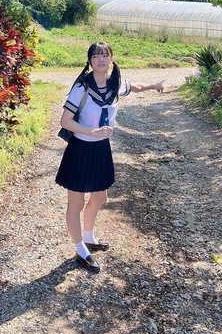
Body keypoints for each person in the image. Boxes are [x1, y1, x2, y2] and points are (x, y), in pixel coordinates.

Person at [56, 41, 165, 274]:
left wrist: (153, 85)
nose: (101, 59)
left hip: (101, 149)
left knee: (99, 198)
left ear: (111, 59)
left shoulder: (115, 84)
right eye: (96, 56)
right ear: (89, 61)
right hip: (80, 149)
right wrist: (91, 131)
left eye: (105, 55)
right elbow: (65, 121)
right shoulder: (82, 87)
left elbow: (134, 86)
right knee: (76, 203)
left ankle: (88, 237)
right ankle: (80, 249)